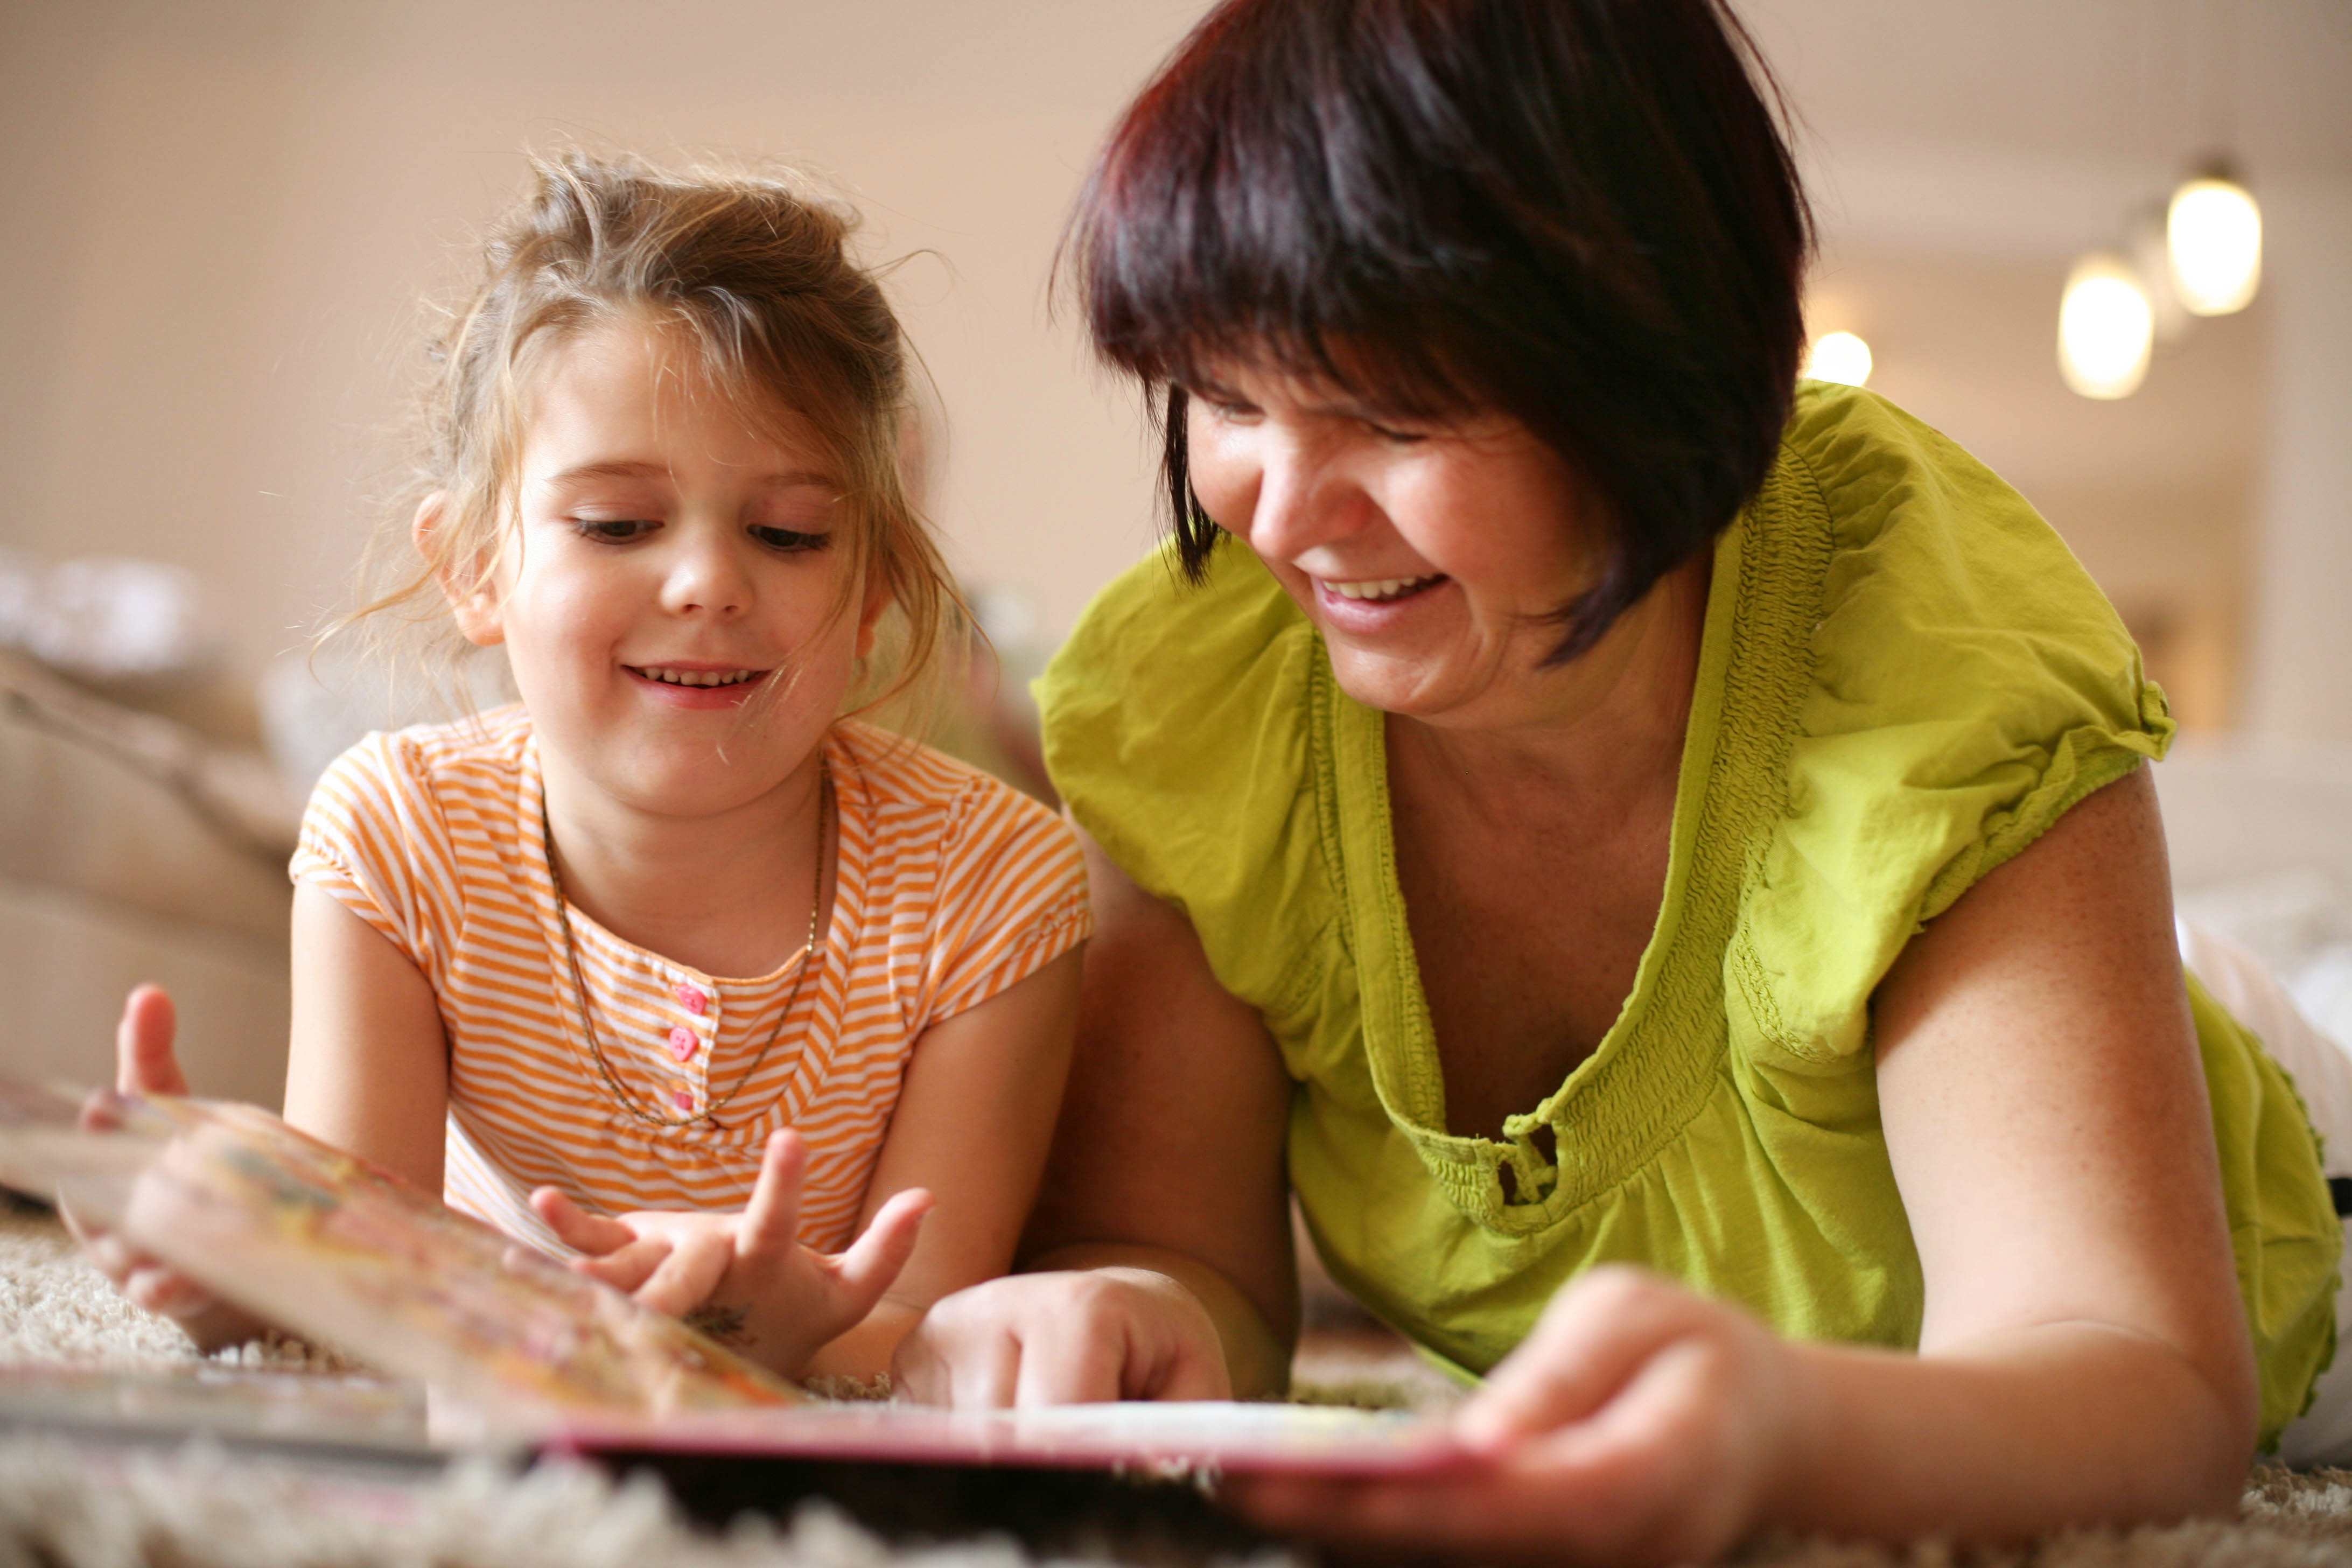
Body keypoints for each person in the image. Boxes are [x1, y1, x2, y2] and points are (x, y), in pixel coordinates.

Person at [891, 0, 2344, 1557]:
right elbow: (1191, 1262)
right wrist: (1126, 1307)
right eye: (1230, 400)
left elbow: (2141, 1384)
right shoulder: (1197, 709)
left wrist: (1786, 1430)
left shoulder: (1926, 655)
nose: (1287, 510)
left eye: (1391, 410)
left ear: (1649, 367)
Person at [84, 151, 1090, 1386]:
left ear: (878, 575)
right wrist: (230, 1263)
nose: (709, 582)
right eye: (618, 524)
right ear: (472, 567)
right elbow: (364, 1276)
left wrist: (810, 1336)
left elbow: (932, 1330)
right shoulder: (397, 832)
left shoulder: (994, 885)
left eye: (787, 534)